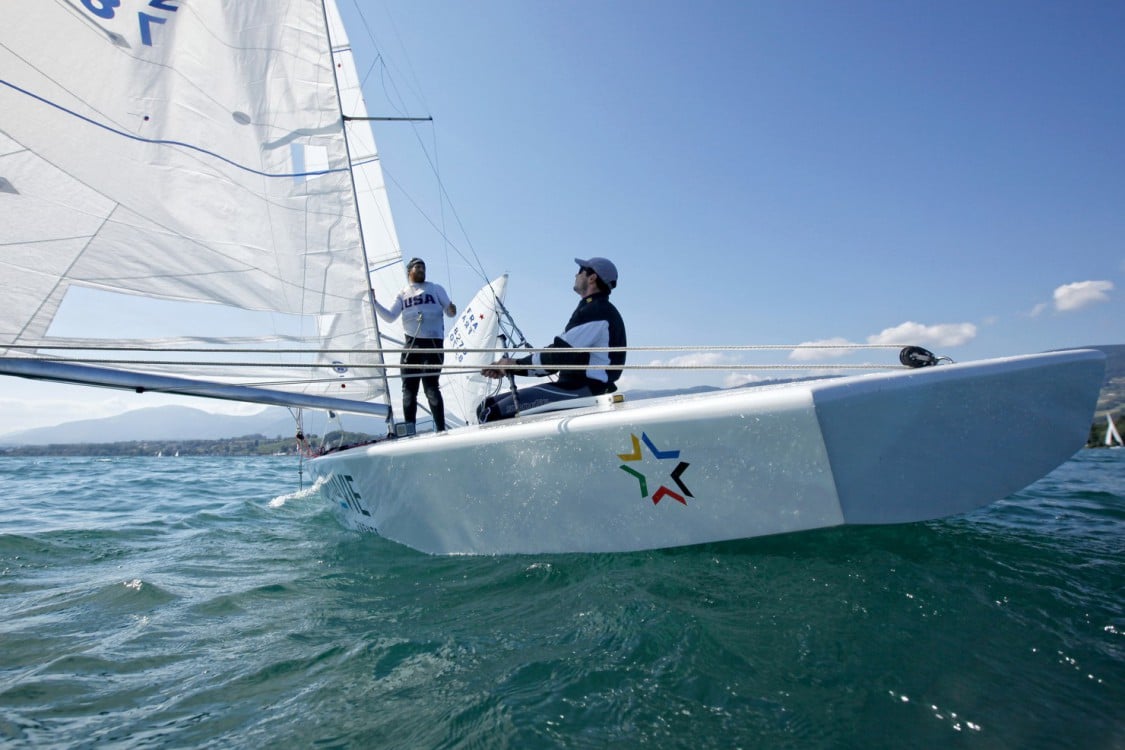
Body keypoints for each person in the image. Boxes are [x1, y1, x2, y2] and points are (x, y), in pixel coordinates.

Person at [479, 257, 626, 422]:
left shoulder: (597, 312)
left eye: (580, 271)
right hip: (574, 388)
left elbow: (558, 355)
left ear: (592, 278)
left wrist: (514, 365)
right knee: (485, 406)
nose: (575, 274)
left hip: (583, 390)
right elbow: (560, 352)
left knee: (490, 414)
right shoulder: (594, 309)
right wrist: (509, 367)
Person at [374, 257, 456, 432]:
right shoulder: (403, 293)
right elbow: (389, 317)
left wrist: (451, 309)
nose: (421, 270)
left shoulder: (435, 288)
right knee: (409, 391)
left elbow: (450, 312)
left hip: (432, 345)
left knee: (431, 387)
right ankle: (410, 431)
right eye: (417, 267)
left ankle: (441, 430)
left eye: (423, 267)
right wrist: (374, 302)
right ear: (409, 271)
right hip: (411, 345)